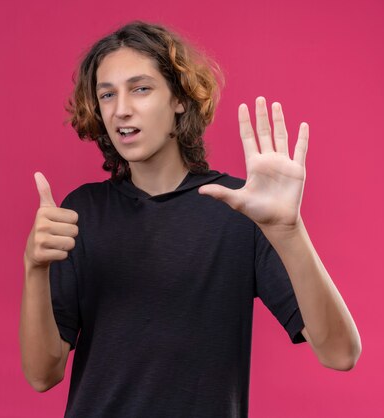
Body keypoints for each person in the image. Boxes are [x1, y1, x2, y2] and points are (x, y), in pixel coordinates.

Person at [19, 21, 361, 417]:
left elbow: (340, 353)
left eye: (141, 88)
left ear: (179, 99)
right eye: (107, 94)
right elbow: (42, 375)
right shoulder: (81, 212)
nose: (121, 109)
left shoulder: (240, 210)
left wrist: (289, 232)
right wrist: (34, 267)